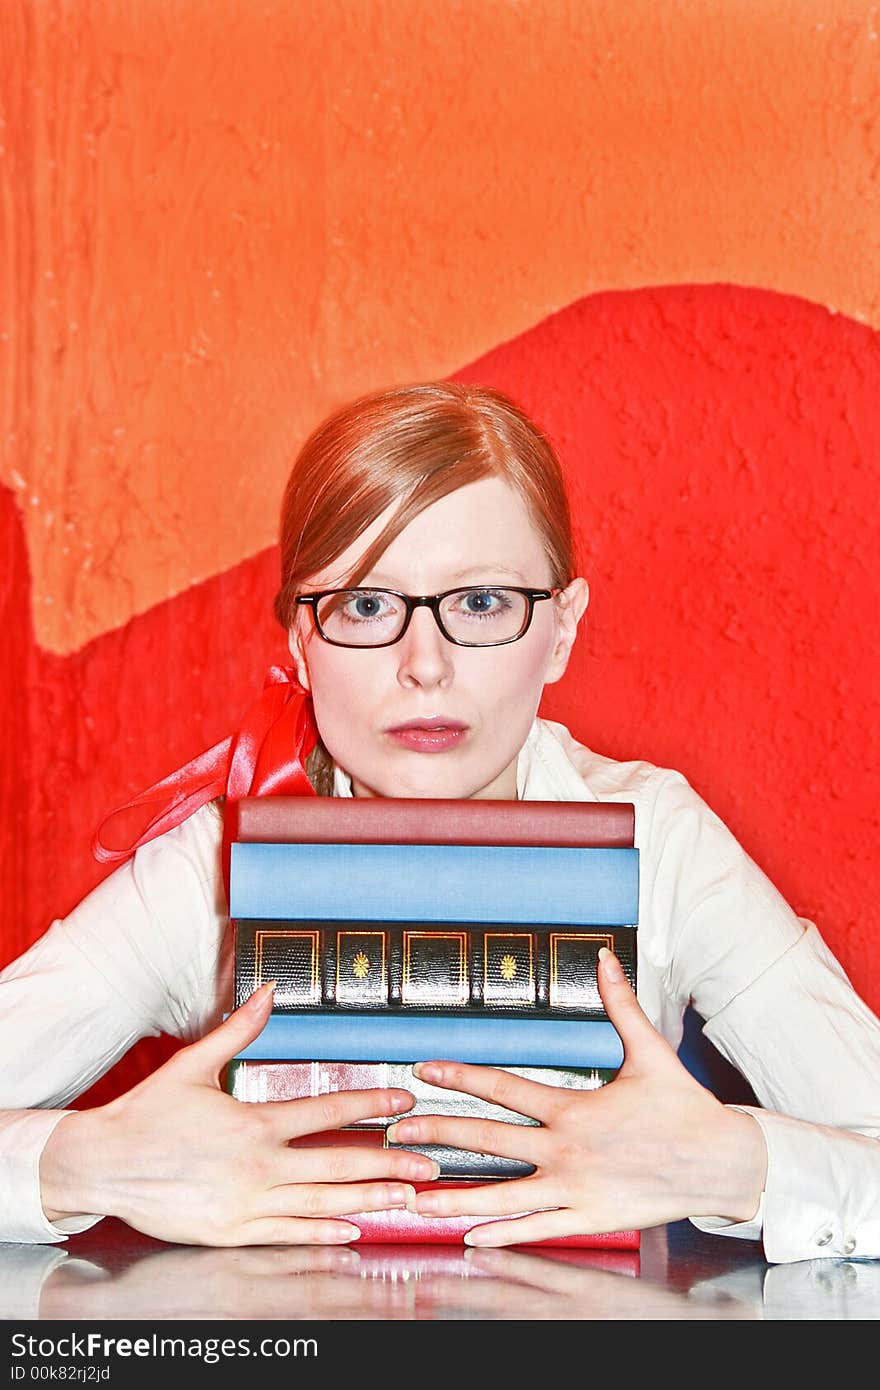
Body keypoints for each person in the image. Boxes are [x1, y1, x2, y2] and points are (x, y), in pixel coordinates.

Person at [2, 380, 879, 1262]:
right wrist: (88, 1164)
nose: (426, 665)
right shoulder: (218, 866)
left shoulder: (664, 839)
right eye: (367, 606)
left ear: (563, 630)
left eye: (482, 603)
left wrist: (735, 1165)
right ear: (301, 645)